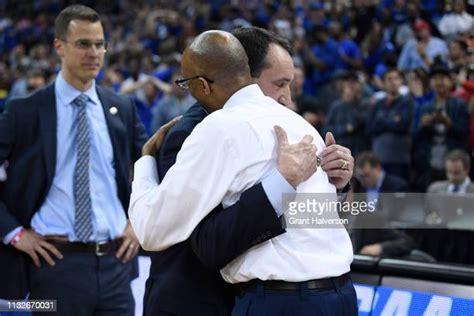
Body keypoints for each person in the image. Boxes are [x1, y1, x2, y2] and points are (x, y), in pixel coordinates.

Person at [129, 30, 357, 315]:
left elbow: (152, 230)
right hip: (341, 295)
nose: (286, 97)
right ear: (248, 72)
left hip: (277, 299)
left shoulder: (217, 128)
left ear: (201, 85)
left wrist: (145, 160)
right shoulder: (300, 125)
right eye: (280, 84)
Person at [0, 5, 147, 315]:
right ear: (59, 47)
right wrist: (15, 234)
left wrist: (137, 224)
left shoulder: (122, 107)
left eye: (99, 44)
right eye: (83, 44)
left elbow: (150, 171)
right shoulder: (23, 111)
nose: (93, 52)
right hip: (53, 266)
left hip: (116, 264)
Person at [413, 64, 470, 191]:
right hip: (429, 161)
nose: (439, 82)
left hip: (453, 159)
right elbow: (413, 134)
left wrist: (448, 123)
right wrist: (423, 125)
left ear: (450, 82)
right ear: (431, 83)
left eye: (443, 78)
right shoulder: (424, 107)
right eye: (435, 79)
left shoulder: (459, 105)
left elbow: (465, 132)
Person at [367, 68, 415, 181]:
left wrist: (382, 122)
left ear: (401, 81)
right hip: (379, 157)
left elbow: (403, 125)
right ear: (383, 83)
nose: (393, 82)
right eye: (389, 79)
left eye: (396, 78)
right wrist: (392, 121)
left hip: (400, 158)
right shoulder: (377, 104)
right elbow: (370, 128)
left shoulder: (408, 102)